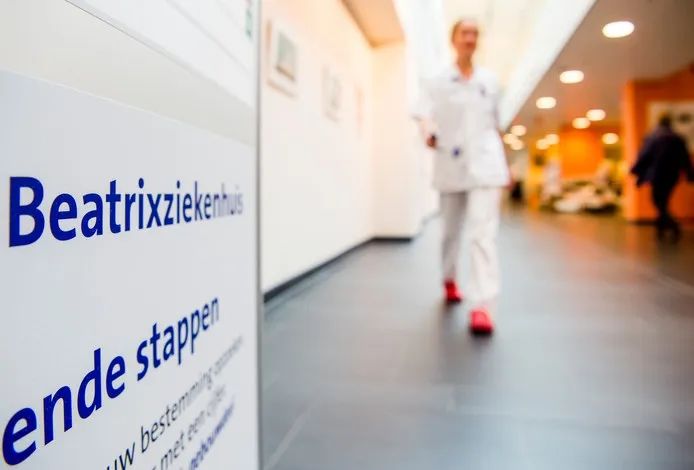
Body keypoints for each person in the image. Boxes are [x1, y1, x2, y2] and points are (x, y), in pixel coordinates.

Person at [414, 18, 509, 334]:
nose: (470, 38)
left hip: (486, 164)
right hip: (451, 162)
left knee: (483, 234)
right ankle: (449, 278)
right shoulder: (436, 80)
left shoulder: (490, 81)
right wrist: (428, 132)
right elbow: (423, 115)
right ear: (453, 39)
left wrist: (505, 167)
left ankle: (483, 305)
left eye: (474, 34)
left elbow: (496, 125)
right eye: (464, 33)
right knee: (450, 232)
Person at [631, 114, 693, 241]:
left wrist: (636, 170)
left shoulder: (653, 137)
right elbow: (685, 158)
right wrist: (689, 174)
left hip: (657, 175)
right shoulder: (677, 138)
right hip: (672, 175)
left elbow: (645, 155)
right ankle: (662, 227)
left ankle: (671, 225)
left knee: (658, 201)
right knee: (663, 201)